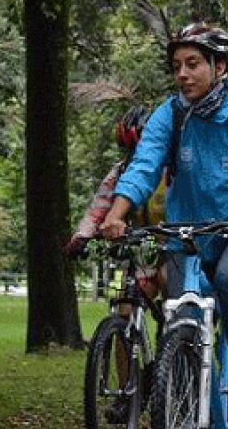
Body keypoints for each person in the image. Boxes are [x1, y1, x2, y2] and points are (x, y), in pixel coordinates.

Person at [100, 22, 228, 412]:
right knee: (181, 319)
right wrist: (116, 215)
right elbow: (144, 166)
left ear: (220, 67)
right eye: (177, 65)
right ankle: (185, 412)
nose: (182, 74)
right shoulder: (171, 114)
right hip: (187, 237)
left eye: (193, 64)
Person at [64, 105, 166, 299]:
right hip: (141, 250)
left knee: (169, 282)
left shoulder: (172, 171)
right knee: (127, 301)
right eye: (129, 152)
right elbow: (99, 207)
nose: (135, 159)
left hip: (172, 245)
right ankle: (124, 328)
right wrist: (81, 237)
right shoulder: (120, 172)